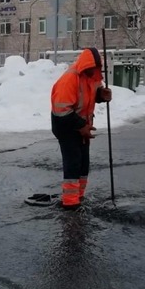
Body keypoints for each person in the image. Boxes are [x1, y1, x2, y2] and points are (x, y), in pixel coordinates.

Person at [50, 48, 112, 210]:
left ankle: (78, 196)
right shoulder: (70, 79)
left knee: (84, 163)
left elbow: (91, 95)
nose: (96, 71)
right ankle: (70, 203)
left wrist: (101, 95)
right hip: (65, 125)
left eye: (98, 68)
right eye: (94, 68)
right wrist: (81, 126)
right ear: (87, 65)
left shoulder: (93, 77)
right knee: (73, 162)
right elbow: (61, 111)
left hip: (82, 124)